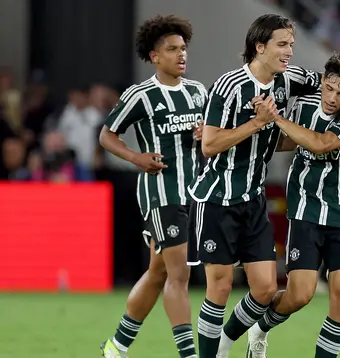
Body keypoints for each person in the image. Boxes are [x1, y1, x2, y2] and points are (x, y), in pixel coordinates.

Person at [187, 14, 340, 358]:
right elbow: (208, 145)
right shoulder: (229, 86)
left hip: (253, 199)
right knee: (220, 287)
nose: (289, 52)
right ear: (260, 47)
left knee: (267, 289)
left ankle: (232, 340)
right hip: (217, 198)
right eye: (282, 45)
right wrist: (257, 122)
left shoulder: (289, 79)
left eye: (292, 45)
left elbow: (337, 81)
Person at [242, 52, 340, 358]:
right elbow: (283, 139)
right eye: (330, 89)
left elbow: (321, 143)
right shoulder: (304, 101)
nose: (333, 98)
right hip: (306, 209)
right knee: (300, 295)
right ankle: (260, 328)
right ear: (323, 81)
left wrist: (275, 118)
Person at [99, 15, 207, 358]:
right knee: (180, 275)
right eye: (172, 49)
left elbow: (209, 137)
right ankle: (190, 355)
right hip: (162, 194)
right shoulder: (140, 95)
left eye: (183, 48)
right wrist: (135, 158)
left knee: (157, 273)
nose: (181, 55)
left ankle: (116, 347)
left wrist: (207, 135)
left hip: (195, 193)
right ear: (154, 56)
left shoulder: (197, 92)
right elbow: (106, 134)